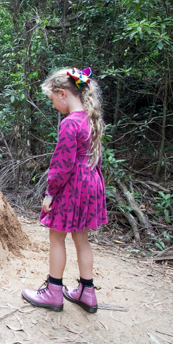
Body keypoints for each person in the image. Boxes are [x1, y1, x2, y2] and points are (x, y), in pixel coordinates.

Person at [22, 67, 108, 313]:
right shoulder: (92, 119)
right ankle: (87, 292)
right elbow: (95, 158)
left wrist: (50, 193)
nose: (52, 105)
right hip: (91, 182)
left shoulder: (70, 123)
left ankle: (54, 291)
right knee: (81, 238)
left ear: (63, 94)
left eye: (52, 100)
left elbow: (62, 164)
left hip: (72, 186)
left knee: (56, 236)